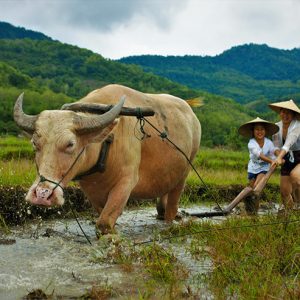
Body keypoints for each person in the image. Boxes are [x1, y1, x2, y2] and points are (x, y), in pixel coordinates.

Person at [238, 117, 279, 213]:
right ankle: (252, 211)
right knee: (251, 190)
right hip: (252, 168)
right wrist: (272, 161)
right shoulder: (251, 143)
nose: (259, 131)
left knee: (257, 188)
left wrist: (279, 156)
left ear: (265, 131)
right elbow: (260, 155)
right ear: (253, 131)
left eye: (262, 129)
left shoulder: (268, 142)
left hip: (264, 167)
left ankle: (253, 211)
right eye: (257, 129)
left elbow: (274, 150)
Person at [269, 99, 300, 211]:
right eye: (283, 112)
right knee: (284, 192)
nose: (285, 115)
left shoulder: (297, 126)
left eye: (288, 113)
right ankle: (291, 214)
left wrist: (278, 157)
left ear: (293, 115)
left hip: (299, 155)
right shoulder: (276, 127)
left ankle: (298, 205)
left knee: (295, 177)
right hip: (286, 157)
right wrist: (279, 157)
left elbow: (288, 144)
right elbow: (276, 147)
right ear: (280, 112)